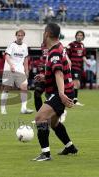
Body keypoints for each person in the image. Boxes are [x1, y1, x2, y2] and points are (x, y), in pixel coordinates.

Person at [32, 23, 78, 161]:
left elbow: (59, 73)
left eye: (44, 32)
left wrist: (62, 94)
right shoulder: (60, 47)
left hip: (59, 92)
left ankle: (46, 154)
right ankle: (70, 147)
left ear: (47, 33)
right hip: (64, 90)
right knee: (53, 122)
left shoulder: (54, 51)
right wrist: (46, 76)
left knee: (40, 118)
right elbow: (68, 64)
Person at [1, 29, 33, 115]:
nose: (20, 37)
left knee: (24, 87)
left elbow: (26, 59)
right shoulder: (12, 45)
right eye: (18, 35)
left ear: (23, 36)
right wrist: (11, 65)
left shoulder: (25, 46)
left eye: (21, 35)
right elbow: (7, 56)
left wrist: (26, 70)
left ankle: (23, 108)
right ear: (16, 36)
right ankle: (3, 108)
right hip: (9, 67)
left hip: (19, 68)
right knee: (7, 88)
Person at [67, 31, 89, 106]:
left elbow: (83, 56)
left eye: (81, 35)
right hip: (73, 67)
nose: (79, 36)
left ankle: (72, 99)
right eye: (78, 35)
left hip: (79, 67)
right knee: (76, 83)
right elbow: (66, 55)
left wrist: (86, 62)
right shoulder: (71, 44)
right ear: (76, 36)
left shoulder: (82, 45)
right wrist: (69, 61)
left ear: (83, 37)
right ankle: (74, 101)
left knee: (76, 84)